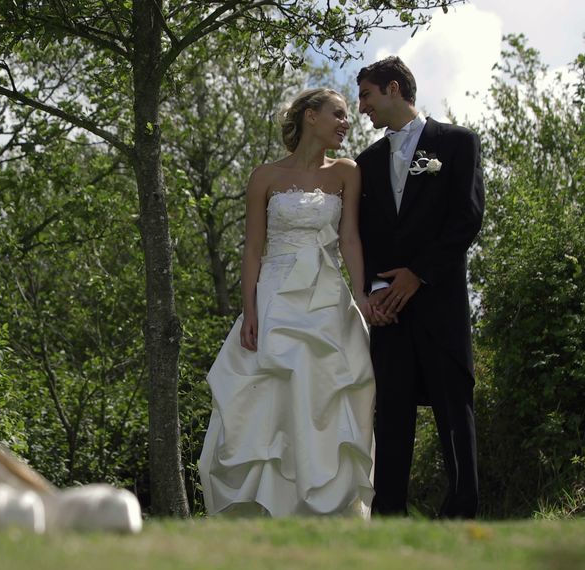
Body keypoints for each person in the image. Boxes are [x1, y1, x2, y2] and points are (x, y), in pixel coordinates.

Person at [198, 88, 376, 517]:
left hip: (328, 299)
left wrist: (361, 296)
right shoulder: (265, 177)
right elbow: (253, 249)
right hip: (275, 296)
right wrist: (251, 311)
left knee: (326, 396)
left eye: (347, 116)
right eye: (337, 114)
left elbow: (350, 238)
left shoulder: (347, 172)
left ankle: (328, 511)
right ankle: (266, 508)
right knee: (269, 398)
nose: (345, 123)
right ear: (310, 117)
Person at [354, 56, 484, 518]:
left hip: (440, 304)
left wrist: (418, 274)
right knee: (390, 417)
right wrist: (373, 294)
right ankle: (390, 518)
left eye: (367, 94)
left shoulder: (458, 142)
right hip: (389, 312)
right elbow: (362, 234)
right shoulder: (365, 163)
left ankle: (461, 512)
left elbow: (466, 218)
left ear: (393, 89)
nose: (362, 106)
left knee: (454, 412)